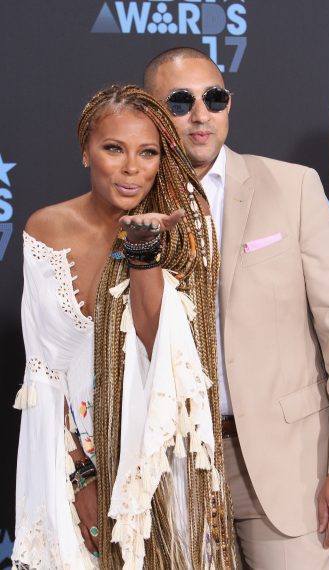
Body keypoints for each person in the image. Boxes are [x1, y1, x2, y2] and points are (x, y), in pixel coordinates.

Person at [12, 85, 238, 569]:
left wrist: (143, 255)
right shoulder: (45, 229)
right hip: (67, 460)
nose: (132, 168)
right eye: (114, 148)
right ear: (85, 151)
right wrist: (81, 477)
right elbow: (44, 369)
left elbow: (161, 349)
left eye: (148, 152)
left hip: (158, 461)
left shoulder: (181, 235)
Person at [143, 47, 329, 570]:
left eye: (214, 97)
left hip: (288, 467)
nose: (200, 114)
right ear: (151, 112)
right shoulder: (131, 206)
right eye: (180, 101)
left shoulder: (293, 186)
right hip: (175, 471)